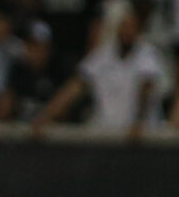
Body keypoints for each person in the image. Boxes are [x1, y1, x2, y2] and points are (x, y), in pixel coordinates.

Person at [32, 8, 166, 140]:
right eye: (123, 26)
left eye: (131, 27)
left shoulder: (147, 54)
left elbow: (146, 89)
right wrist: (46, 116)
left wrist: (138, 122)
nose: (127, 31)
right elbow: (75, 87)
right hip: (106, 134)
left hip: (140, 136)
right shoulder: (103, 55)